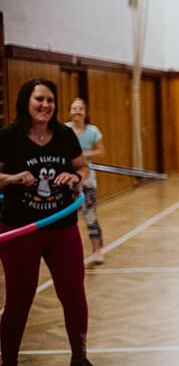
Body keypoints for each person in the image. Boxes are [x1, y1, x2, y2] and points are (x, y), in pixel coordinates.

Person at [0, 79, 93, 366]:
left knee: (74, 293)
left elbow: (83, 167)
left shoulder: (64, 135)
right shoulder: (9, 136)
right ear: (26, 101)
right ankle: (9, 361)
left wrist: (75, 177)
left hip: (62, 226)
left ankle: (79, 357)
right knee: (19, 299)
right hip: (18, 229)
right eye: (39, 99)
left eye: (50, 100)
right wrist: (13, 179)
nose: (45, 105)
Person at [66, 98, 106, 263]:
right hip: (67, 181)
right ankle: (70, 252)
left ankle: (97, 250)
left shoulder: (93, 131)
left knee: (90, 215)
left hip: (88, 180)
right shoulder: (64, 130)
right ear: (70, 111)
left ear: (85, 112)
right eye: (74, 108)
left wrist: (84, 155)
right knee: (67, 219)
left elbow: (101, 151)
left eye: (80, 108)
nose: (77, 111)